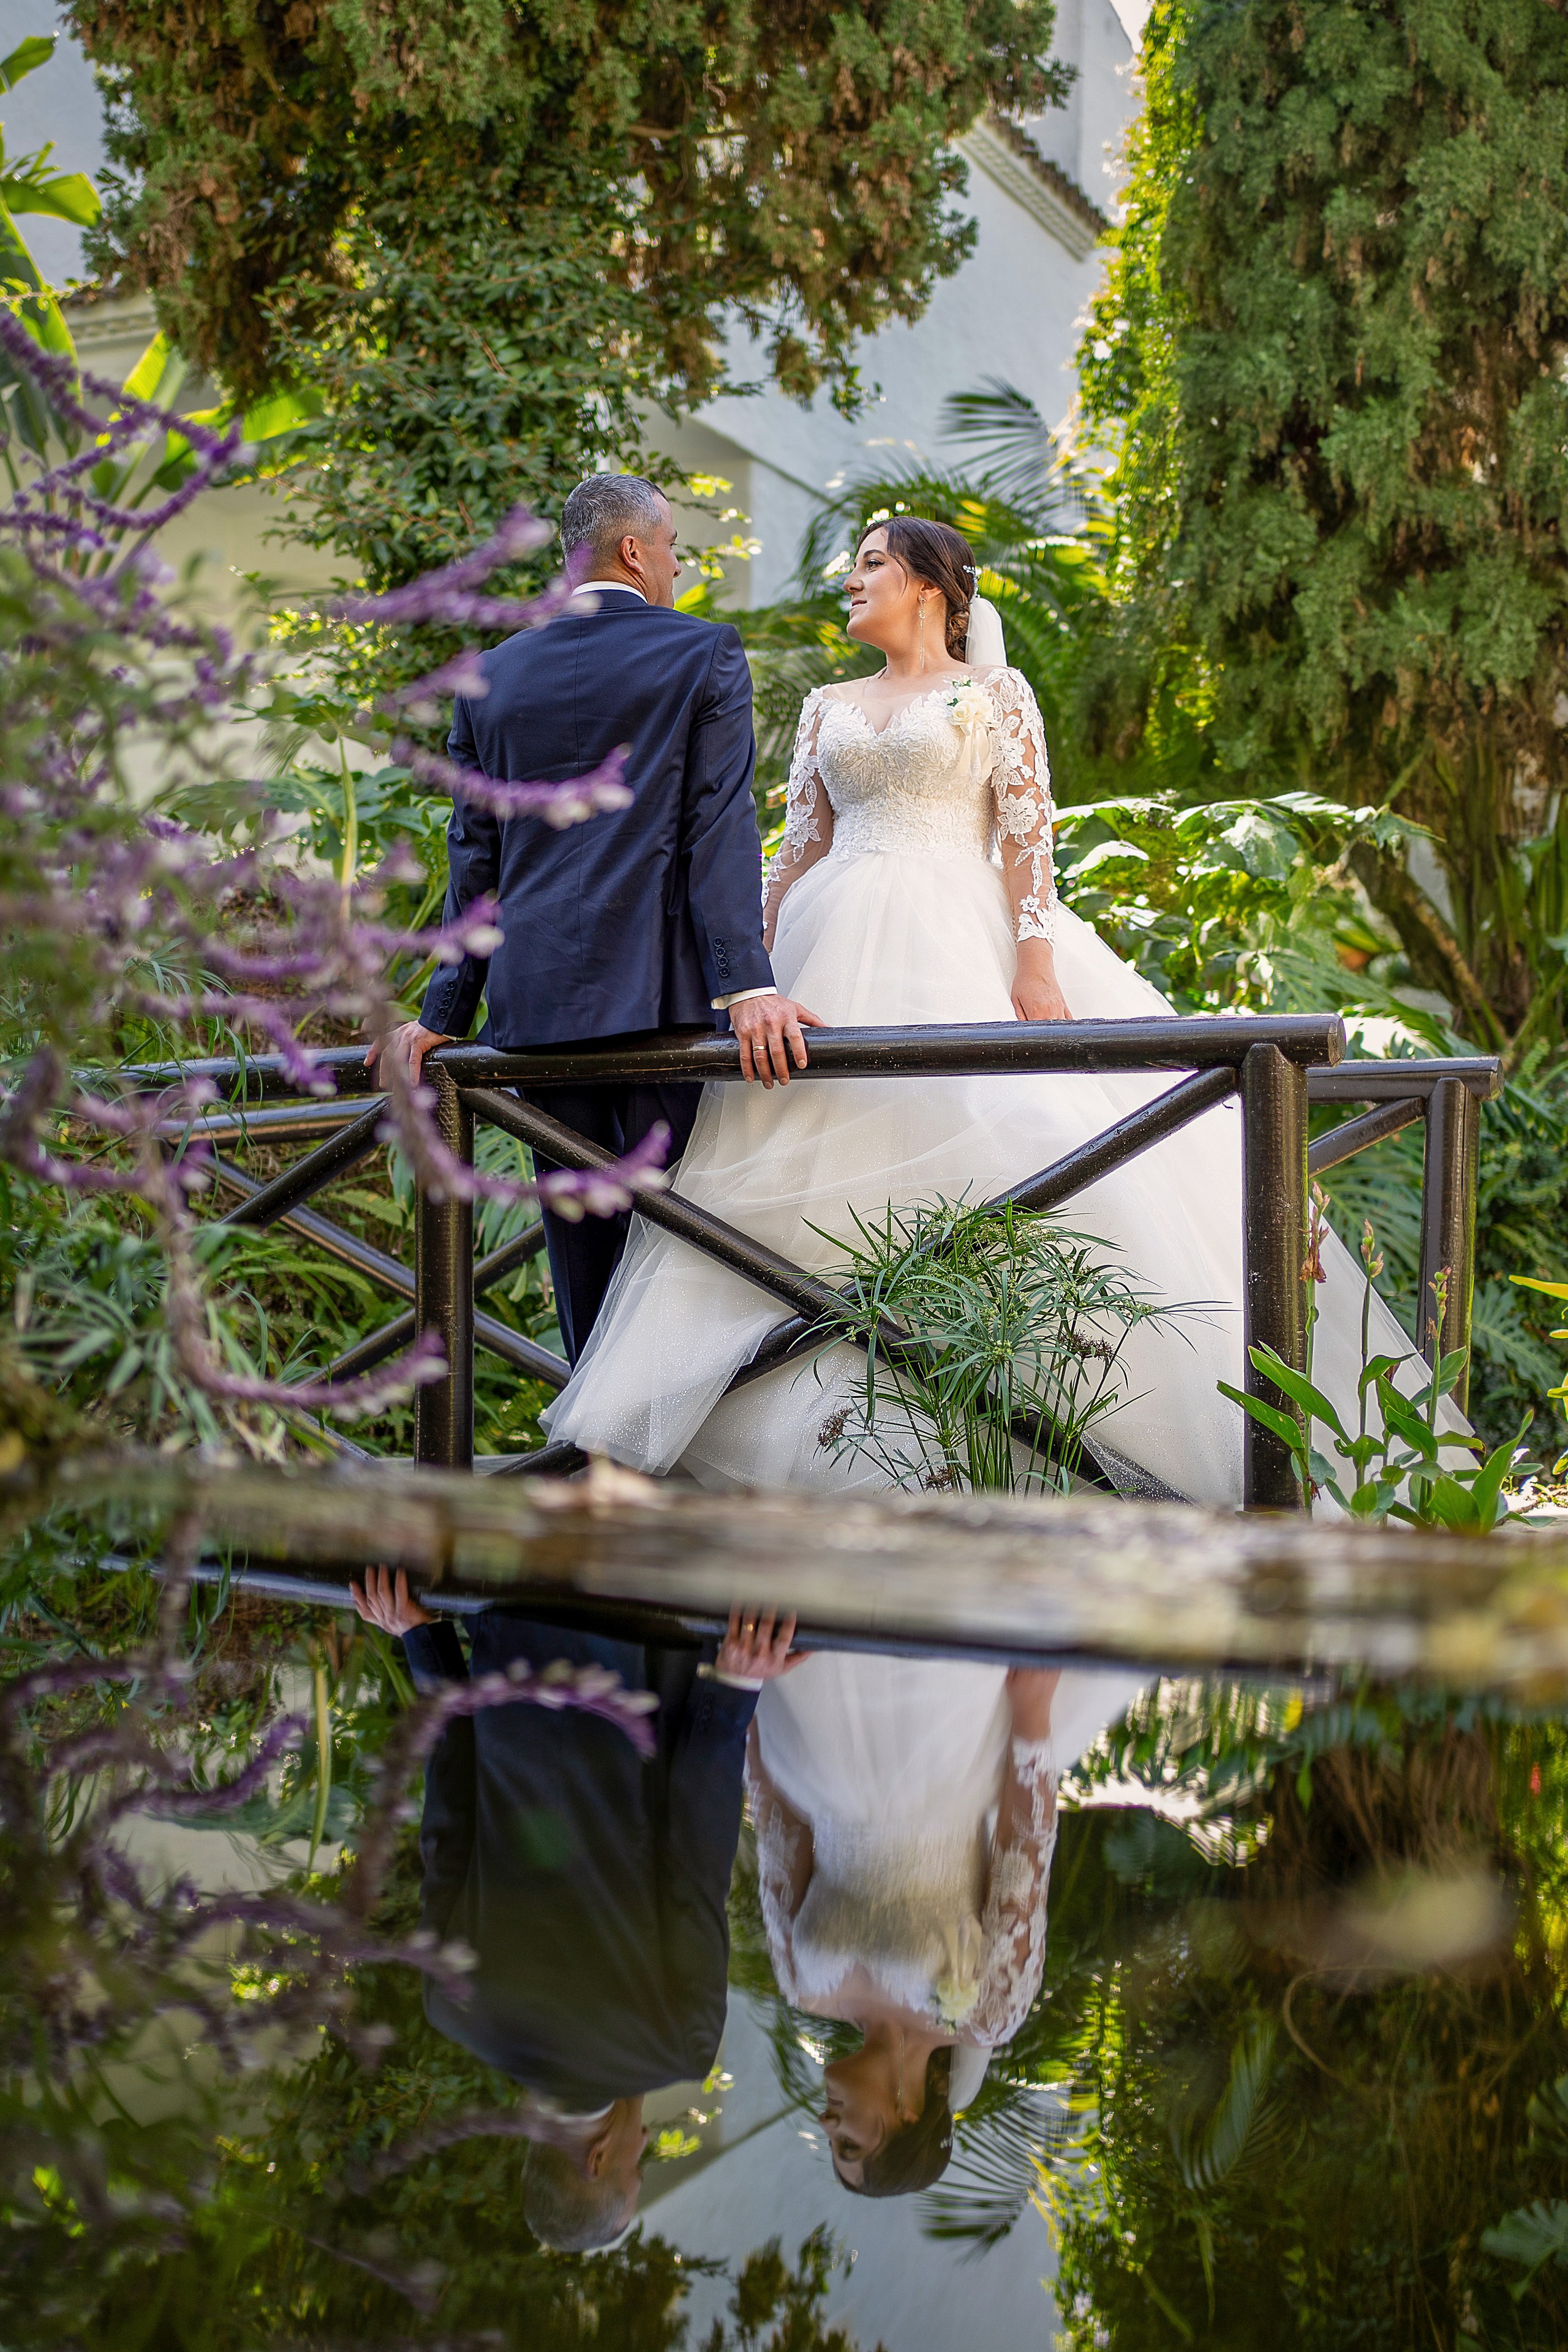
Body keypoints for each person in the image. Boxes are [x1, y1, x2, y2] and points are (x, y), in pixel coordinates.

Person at [543, 514, 1463, 1504]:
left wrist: (1034, 965)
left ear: (930, 589)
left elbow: (1029, 836)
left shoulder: (993, 694)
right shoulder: (826, 706)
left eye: (869, 565)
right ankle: (806, 1426)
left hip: (961, 938)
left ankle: (1057, 1439)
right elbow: (795, 847)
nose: (847, 580)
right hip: (829, 945)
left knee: (1021, 1146)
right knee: (797, 1175)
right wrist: (751, 976)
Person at [369, 473, 821, 1363]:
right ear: (635, 550)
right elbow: (719, 827)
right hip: (664, 1010)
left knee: (582, 1255)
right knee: (686, 1242)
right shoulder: (703, 654)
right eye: (676, 550)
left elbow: (477, 855)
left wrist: (441, 1016)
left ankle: (596, 1462)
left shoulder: (490, 675)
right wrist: (748, 984)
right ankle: (680, 1463)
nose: (679, 570)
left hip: (536, 1016)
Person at [350, 1566, 797, 2250]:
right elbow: (450, 1809)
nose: (642, 2143)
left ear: (597, 2162)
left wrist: (735, 1689)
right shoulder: (451, 2007)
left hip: (651, 1648)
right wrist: (422, 1639)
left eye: (633, 2167)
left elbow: (696, 1849)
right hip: (520, 1636)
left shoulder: (674, 2048)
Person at [745, 1651, 1147, 2195]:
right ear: (907, 2118)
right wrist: (1031, 1713)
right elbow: (1021, 1856)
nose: (826, 2124)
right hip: (947, 1752)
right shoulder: (988, 2015)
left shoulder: (801, 1987)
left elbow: (777, 1825)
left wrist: (751, 1703)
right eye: (849, 2145)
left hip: (823, 1733)